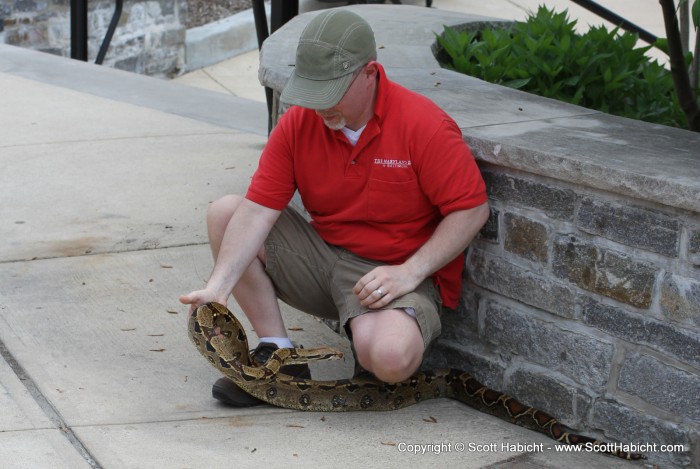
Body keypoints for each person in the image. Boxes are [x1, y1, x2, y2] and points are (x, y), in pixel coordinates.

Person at [180, 9, 489, 406]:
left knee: (391, 360)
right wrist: (218, 288)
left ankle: (371, 343)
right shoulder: (298, 123)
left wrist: (409, 273)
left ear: (370, 73)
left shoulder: (423, 125)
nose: (319, 105)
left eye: (331, 90)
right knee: (225, 212)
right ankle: (280, 353)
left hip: (391, 274)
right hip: (322, 260)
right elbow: (257, 210)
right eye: (312, 89)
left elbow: (472, 210)